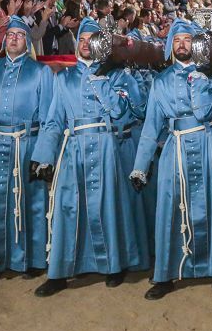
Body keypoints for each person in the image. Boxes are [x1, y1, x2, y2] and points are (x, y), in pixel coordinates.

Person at [129, 21, 212, 299]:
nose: (182, 44)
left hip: (211, 144)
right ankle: (166, 273)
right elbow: (151, 127)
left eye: (187, 39)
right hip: (175, 148)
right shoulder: (160, 82)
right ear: (170, 46)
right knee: (171, 208)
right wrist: (140, 166)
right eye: (177, 40)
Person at [29, 17, 150, 297]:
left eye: (91, 39)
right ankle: (59, 272)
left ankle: (113, 265)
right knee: (68, 206)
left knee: (108, 204)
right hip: (73, 149)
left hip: (106, 146)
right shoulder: (64, 78)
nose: (85, 45)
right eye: (81, 39)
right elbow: (53, 121)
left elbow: (122, 112)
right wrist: (43, 157)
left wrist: (102, 80)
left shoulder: (118, 75)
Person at [0, 17, 54, 288]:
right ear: (4, 40)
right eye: (10, 34)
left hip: (26, 146)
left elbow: (50, 118)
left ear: (27, 42)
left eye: (20, 35)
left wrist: (43, 156)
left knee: (31, 203)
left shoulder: (41, 72)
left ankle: (33, 260)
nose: (14, 38)